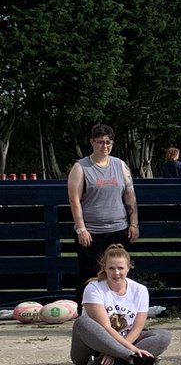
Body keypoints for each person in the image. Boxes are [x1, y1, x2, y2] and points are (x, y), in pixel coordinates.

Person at [67, 124, 139, 303]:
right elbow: (74, 200)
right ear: (92, 142)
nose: (104, 146)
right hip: (91, 231)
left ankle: (119, 310)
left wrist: (134, 223)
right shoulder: (80, 167)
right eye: (100, 142)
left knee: (119, 272)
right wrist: (81, 229)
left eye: (108, 142)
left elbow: (129, 194)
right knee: (89, 273)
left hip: (118, 229)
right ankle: (85, 314)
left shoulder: (120, 165)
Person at [70, 244, 170, 365]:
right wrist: (130, 350)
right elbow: (106, 327)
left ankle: (113, 362)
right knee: (82, 322)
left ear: (128, 268)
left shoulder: (140, 290)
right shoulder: (94, 288)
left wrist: (115, 351)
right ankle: (131, 359)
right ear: (104, 268)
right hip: (92, 347)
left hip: (126, 340)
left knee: (163, 336)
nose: (116, 273)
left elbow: (136, 329)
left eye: (120, 268)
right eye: (111, 268)